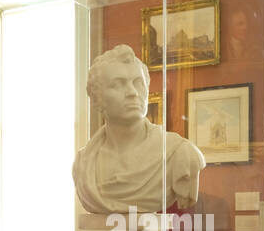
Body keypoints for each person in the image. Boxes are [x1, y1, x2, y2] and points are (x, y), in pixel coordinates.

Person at [72, 44, 204, 214]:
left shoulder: (180, 153)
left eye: (138, 83)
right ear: (97, 99)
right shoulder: (84, 165)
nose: (133, 92)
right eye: (118, 84)